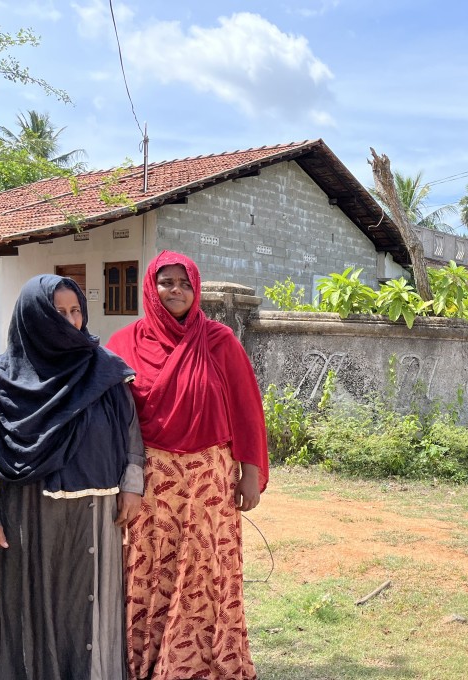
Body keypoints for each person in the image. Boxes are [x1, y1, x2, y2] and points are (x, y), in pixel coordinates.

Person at [0, 275, 144, 679]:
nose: (69, 321)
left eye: (75, 311)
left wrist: (132, 485)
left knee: (88, 605)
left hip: (95, 513)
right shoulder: (0, 377)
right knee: (33, 605)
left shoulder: (103, 368)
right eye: (57, 313)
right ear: (34, 318)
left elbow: (129, 430)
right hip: (28, 511)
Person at [107, 251, 269, 680]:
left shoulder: (219, 342)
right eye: (166, 282)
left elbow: (247, 410)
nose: (175, 290)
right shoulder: (123, 346)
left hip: (209, 480)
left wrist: (249, 473)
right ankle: (146, 662)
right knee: (149, 571)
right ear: (151, 288)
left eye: (183, 282)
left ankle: (204, 664)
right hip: (150, 480)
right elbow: (110, 418)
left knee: (206, 571)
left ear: (195, 288)